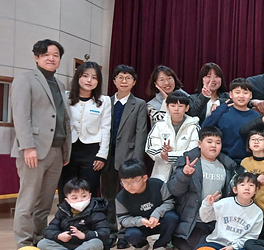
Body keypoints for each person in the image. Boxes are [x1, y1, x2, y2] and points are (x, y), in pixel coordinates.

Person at [11, 39, 71, 247]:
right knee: (27, 201)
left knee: (45, 203)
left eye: (55, 55)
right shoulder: (25, 79)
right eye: (46, 55)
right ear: (36, 58)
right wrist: (28, 147)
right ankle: (23, 245)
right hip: (34, 150)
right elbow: (21, 116)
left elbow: (62, 118)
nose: (51, 58)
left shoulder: (59, 84)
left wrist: (65, 150)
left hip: (56, 151)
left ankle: (39, 242)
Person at [167, 127, 239, 250]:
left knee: (224, 249)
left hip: (216, 222)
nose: (214, 146)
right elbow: (174, 190)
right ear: (199, 144)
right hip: (193, 222)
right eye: (209, 141)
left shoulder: (227, 166)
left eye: (218, 142)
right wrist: (184, 174)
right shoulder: (189, 163)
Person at [102, 65, 148, 240]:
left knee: (128, 196)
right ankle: (111, 231)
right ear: (114, 80)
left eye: (128, 78)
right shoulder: (105, 102)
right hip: (107, 156)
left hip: (128, 157)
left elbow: (140, 133)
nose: (124, 81)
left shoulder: (139, 104)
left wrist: (136, 162)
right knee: (108, 195)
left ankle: (124, 233)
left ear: (134, 82)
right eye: (120, 77)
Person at [59, 61, 111, 195]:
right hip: (69, 149)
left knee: (88, 189)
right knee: (67, 188)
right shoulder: (65, 96)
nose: (89, 80)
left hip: (92, 151)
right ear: (78, 77)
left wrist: (102, 155)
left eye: (94, 78)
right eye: (85, 76)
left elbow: (105, 128)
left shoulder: (104, 101)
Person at [192, 172, 262, 250]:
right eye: (242, 185)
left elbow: (251, 237)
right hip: (216, 242)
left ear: (256, 190)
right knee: (201, 248)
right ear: (235, 189)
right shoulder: (224, 203)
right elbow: (205, 218)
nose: (247, 188)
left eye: (251, 185)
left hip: (235, 247)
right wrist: (207, 205)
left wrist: (233, 247)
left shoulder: (257, 213)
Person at [38, 178, 111, 250]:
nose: (80, 200)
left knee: (96, 243)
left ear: (90, 195)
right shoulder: (62, 211)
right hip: (67, 246)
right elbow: (49, 231)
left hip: (87, 245)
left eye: (84, 196)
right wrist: (58, 236)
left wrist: (85, 235)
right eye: (74, 198)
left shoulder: (97, 211)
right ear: (67, 200)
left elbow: (105, 233)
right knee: (42, 244)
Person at [116, 159, 177, 250]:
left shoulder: (157, 185)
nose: (129, 185)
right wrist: (140, 221)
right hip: (140, 226)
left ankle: (161, 245)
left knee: (172, 217)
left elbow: (170, 202)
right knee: (130, 234)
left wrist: (157, 214)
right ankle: (141, 246)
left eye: (134, 181)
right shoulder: (120, 198)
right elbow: (123, 219)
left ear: (144, 178)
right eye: (125, 182)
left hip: (159, 221)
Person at [145, 90, 200, 181]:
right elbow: (149, 148)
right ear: (167, 107)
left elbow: (193, 152)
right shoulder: (159, 124)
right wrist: (162, 152)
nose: (176, 109)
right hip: (160, 174)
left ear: (187, 108)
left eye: (180, 106)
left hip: (184, 174)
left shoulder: (194, 126)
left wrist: (170, 156)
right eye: (173, 106)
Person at [203, 78, 260, 163]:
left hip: (248, 161)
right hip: (222, 160)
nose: (241, 96)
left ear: (251, 95)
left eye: (245, 93)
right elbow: (204, 128)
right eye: (237, 92)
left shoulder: (256, 116)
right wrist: (218, 111)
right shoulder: (222, 112)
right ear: (230, 94)